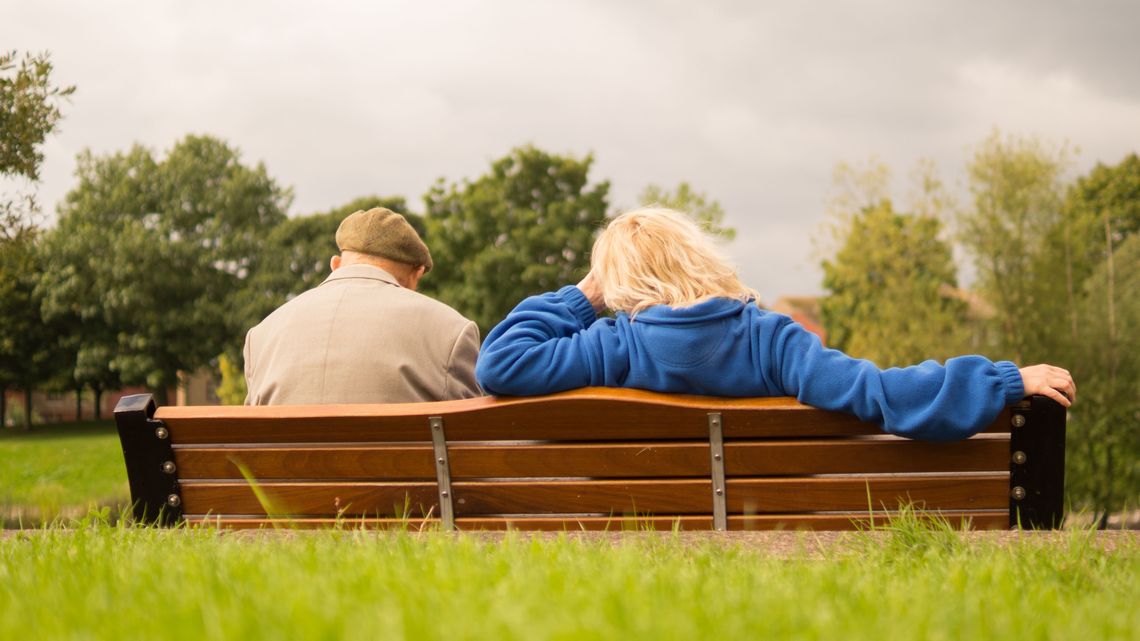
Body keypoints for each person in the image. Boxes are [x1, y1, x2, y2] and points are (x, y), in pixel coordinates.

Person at [475, 207, 1075, 441]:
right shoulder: (771, 339)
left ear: (620, 284)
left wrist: (584, 297)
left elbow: (499, 363)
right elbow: (878, 392)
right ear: (699, 258)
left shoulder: (610, 345)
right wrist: (1001, 381)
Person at [244, 207, 481, 405]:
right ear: (416, 273)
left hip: (282, 464)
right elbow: (471, 439)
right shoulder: (451, 330)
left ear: (335, 264)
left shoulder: (261, 335)